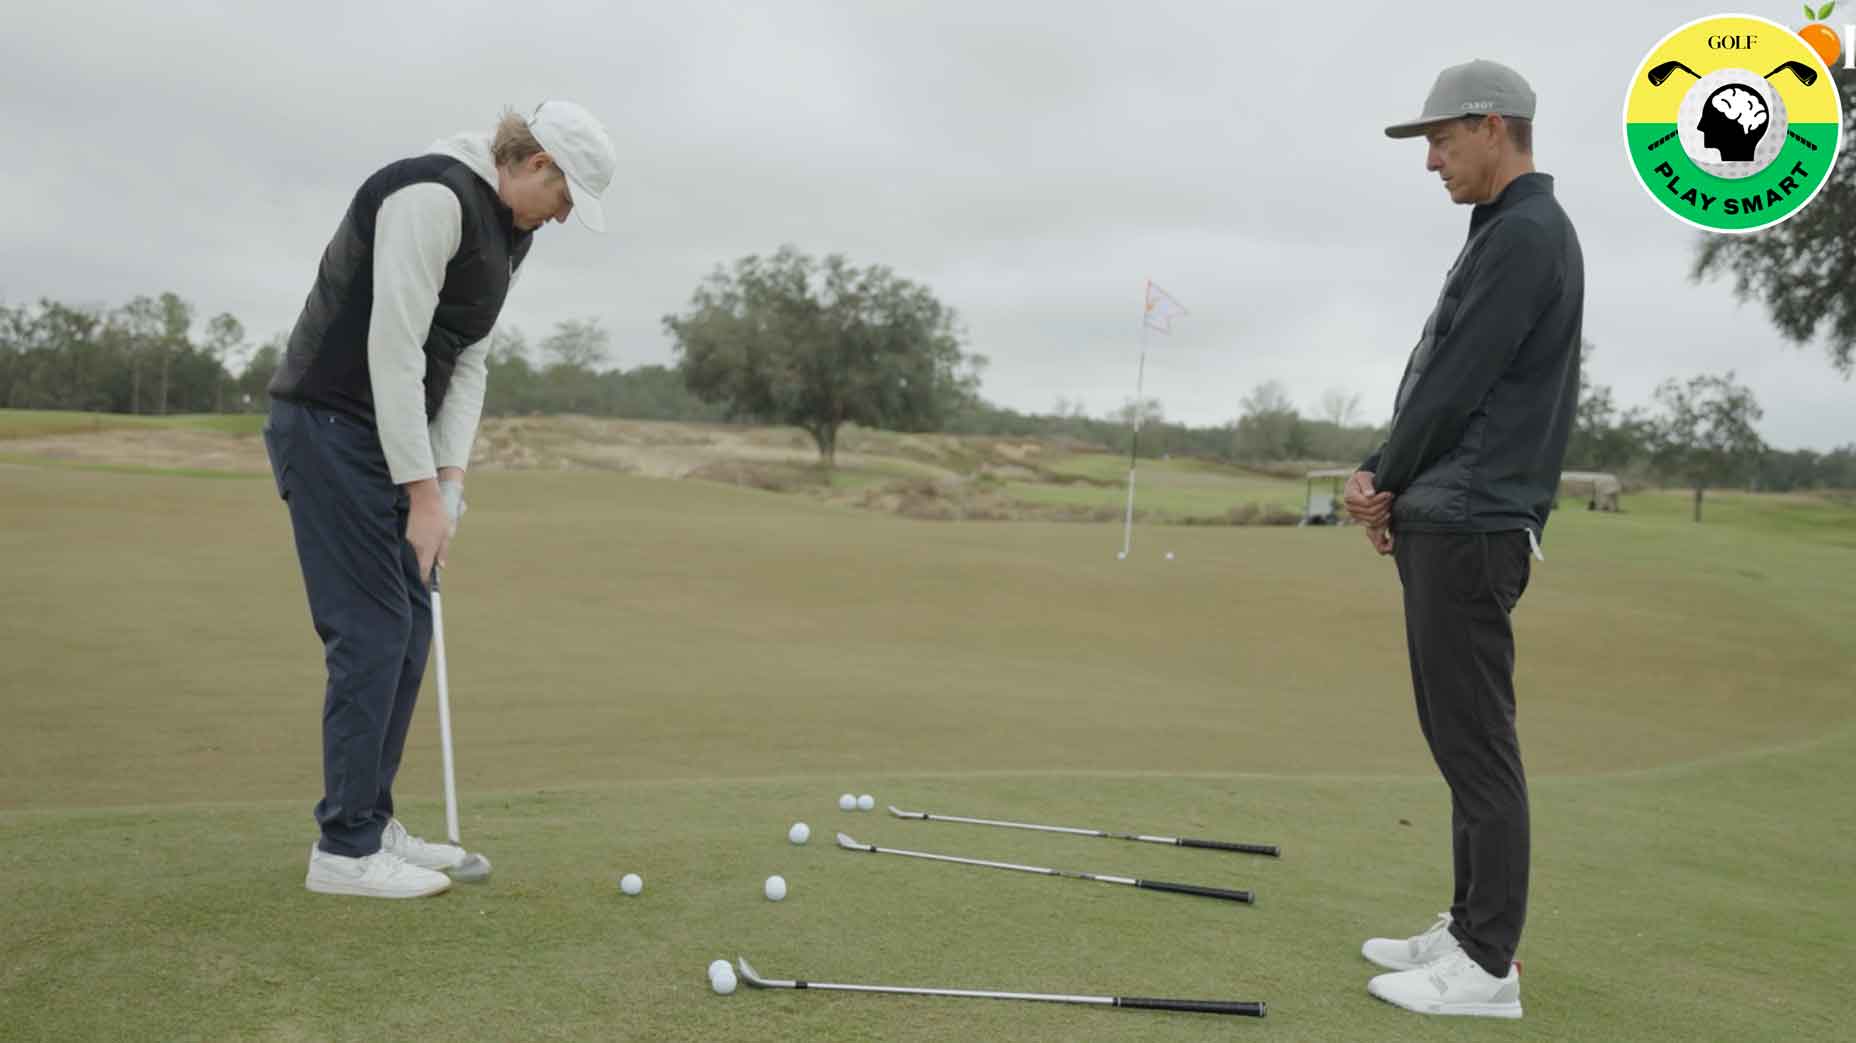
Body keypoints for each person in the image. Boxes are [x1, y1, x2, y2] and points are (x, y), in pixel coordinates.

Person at [263, 101, 616, 898]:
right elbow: (393, 348)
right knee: (372, 627)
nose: (562, 218)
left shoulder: (511, 234)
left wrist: (450, 482)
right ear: (537, 163)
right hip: (326, 424)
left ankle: (369, 817)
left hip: (387, 437)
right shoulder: (431, 196)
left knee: (411, 624)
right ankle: (343, 851)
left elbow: (468, 358)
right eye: (564, 197)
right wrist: (420, 490)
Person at [1345, 60, 1583, 1018]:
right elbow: (1439, 372)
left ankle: (1487, 964)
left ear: (1493, 126)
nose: (1431, 160)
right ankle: (1469, 924)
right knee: (1458, 736)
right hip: (1455, 512)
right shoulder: (1504, 230)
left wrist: (1385, 481)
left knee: (1477, 741)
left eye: (1442, 140)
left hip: (1473, 519)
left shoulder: (1526, 233)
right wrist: (1384, 469)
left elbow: (1457, 384)